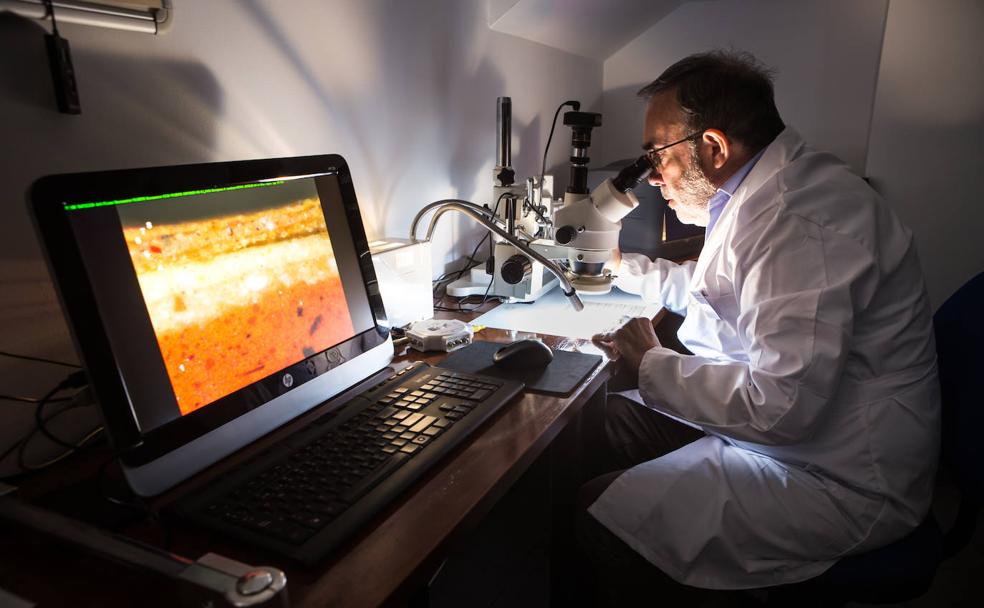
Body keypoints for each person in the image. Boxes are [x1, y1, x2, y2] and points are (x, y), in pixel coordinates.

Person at [578, 50, 941, 604]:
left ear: (715, 147)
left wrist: (652, 362)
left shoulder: (804, 222)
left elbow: (780, 408)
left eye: (657, 154)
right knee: (610, 419)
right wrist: (627, 271)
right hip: (810, 436)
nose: (651, 176)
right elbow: (725, 298)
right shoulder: (767, 193)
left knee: (599, 517)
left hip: (840, 479)